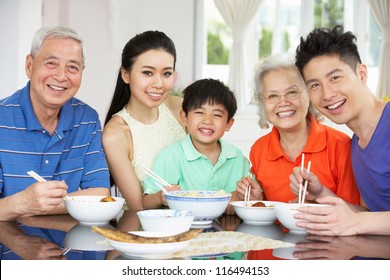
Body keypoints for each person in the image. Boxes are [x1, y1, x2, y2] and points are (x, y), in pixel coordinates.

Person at [0, 26, 110, 221]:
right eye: (51, 63)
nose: (61, 76)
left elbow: (100, 194)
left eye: (73, 67)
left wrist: (32, 207)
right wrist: (21, 202)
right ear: (29, 65)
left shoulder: (87, 119)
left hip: (68, 245)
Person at [290, 25, 390, 236]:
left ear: (361, 74)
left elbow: (361, 221)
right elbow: (370, 215)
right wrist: (321, 194)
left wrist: (356, 222)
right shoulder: (355, 142)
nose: (327, 94)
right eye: (315, 85)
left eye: (335, 77)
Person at [235, 54, 360, 205]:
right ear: (263, 103)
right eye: (272, 96)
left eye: (292, 92)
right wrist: (258, 202)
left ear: (308, 95)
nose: (283, 102)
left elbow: (353, 212)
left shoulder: (340, 146)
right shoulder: (259, 150)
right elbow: (268, 211)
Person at [103, 31, 186, 210]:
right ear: (125, 75)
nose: (158, 84)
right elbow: (137, 207)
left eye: (166, 74)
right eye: (148, 73)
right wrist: (162, 197)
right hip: (144, 229)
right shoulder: (116, 134)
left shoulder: (179, 107)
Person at [143, 78, 250, 213]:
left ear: (229, 124)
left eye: (217, 115)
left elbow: (249, 199)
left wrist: (244, 197)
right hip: (183, 228)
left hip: (226, 231)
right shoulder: (172, 155)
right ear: (184, 117)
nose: (207, 121)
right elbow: (146, 203)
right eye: (199, 112)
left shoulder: (237, 157)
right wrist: (160, 197)